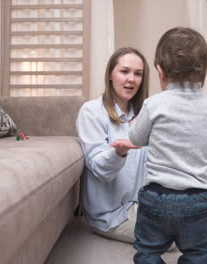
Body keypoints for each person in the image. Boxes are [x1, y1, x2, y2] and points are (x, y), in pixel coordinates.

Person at [128, 27, 207, 264]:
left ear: (160, 71)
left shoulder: (153, 104)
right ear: (205, 71)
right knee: (198, 254)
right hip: (198, 199)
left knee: (147, 252)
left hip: (157, 198)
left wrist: (136, 123)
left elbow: (135, 139)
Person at [75, 47, 149, 243]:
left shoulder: (146, 114)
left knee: (201, 211)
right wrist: (119, 152)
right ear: (110, 74)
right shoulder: (91, 112)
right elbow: (99, 168)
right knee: (170, 237)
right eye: (124, 71)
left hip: (143, 204)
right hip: (110, 214)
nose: (131, 79)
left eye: (138, 73)